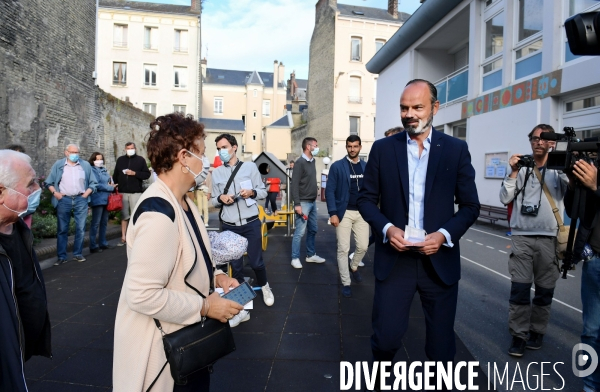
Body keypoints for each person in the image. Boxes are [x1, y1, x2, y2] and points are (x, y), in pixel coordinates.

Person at [113, 113, 242, 392]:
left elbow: (187, 256)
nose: (207, 162)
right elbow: (142, 294)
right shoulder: (158, 213)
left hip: (184, 345)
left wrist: (217, 278)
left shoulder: (183, 202)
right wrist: (206, 306)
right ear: (184, 157)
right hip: (163, 358)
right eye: (203, 154)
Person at [357, 79, 480, 368]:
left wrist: (443, 235)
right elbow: (365, 200)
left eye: (417, 107)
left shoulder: (455, 149)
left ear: (435, 108)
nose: (409, 113)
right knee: (385, 340)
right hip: (395, 260)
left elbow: (470, 206)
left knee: (441, 351)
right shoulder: (383, 149)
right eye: (404, 108)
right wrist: (388, 229)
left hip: (439, 262)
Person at [500, 124, 568, 357]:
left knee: (544, 290)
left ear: (552, 142)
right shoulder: (522, 167)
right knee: (519, 289)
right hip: (522, 237)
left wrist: (565, 161)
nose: (538, 142)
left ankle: (537, 331)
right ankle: (518, 335)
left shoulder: (559, 169)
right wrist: (512, 171)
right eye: (534, 138)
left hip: (550, 238)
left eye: (544, 139)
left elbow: (571, 191)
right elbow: (504, 197)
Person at [0, 149, 52, 392]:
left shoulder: (18, 228)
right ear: (1, 193)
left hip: (20, 349)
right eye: (30, 184)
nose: (36, 191)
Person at [211, 133, 275, 325]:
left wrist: (252, 192)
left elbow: (262, 191)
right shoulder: (217, 173)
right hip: (229, 225)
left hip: (250, 222)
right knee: (236, 267)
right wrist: (221, 198)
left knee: (256, 262)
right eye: (219, 148)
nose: (221, 151)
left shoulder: (249, 167)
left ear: (234, 147)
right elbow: (214, 200)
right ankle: (243, 309)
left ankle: (265, 286)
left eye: (224, 147)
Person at [564, 158, 600, 392]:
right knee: (591, 332)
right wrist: (573, 185)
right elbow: (572, 210)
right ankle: (589, 386)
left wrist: (596, 187)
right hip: (595, 260)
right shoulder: (595, 168)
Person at [326, 135, 368, 298]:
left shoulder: (366, 166)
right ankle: (346, 282)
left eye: (355, 146)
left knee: (363, 246)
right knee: (343, 249)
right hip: (344, 212)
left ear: (360, 147)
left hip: (362, 212)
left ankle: (354, 266)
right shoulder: (337, 166)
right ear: (346, 147)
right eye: (350, 146)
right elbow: (330, 190)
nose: (352, 149)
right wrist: (333, 213)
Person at [45, 144, 98, 265]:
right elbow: (49, 182)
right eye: (72, 152)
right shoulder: (59, 165)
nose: (75, 154)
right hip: (64, 200)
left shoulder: (84, 165)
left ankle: (77, 254)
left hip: (81, 199)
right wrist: (55, 193)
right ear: (66, 153)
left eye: (77, 152)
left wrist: (86, 194)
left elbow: (93, 183)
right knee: (62, 229)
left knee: (80, 228)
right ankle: (62, 256)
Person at [290, 137, 326, 268]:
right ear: (308, 147)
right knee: (299, 232)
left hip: (312, 202)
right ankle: (294, 258)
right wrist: (297, 204)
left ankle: (310, 255)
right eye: (315, 146)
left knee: (313, 229)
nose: (317, 148)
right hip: (303, 203)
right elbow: (294, 185)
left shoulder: (312, 161)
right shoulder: (300, 163)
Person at [112, 142, 151, 246]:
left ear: (135, 148)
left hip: (136, 192)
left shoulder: (140, 160)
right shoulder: (120, 160)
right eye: (128, 148)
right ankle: (123, 237)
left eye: (132, 148)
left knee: (136, 215)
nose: (130, 150)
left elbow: (147, 174)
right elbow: (116, 174)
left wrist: (135, 173)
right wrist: (114, 185)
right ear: (125, 149)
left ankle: (136, 237)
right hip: (122, 192)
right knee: (124, 216)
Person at [88, 152, 116, 253]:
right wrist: (109, 187)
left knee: (104, 222)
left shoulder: (104, 170)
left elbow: (107, 181)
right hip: (97, 198)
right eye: (97, 159)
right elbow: (96, 185)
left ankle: (103, 243)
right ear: (93, 160)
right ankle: (93, 245)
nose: (99, 161)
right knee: (95, 223)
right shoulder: (91, 170)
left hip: (106, 198)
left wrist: (111, 184)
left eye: (101, 159)